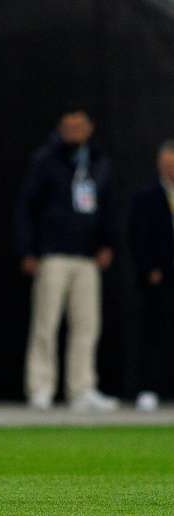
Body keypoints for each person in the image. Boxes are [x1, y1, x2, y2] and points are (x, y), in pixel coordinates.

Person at [16, 108, 118, 412]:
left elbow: (108, 205)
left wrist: (107, 243)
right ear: (61, 129)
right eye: (69, 126)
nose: (74, 131)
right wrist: (28, 250)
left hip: (87, 256)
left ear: (90, 128)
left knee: (86, 324)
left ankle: (81, 387)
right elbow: (27, 206)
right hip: (53, 254)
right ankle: (41, 387)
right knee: (45, 323)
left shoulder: (99, 162)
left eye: (79, 126)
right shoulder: (46, 161)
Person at [128, 140, 174, 411]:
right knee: (155, 333)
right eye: (167, 165)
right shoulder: (146, 197)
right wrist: (148, 268)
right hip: (159, 276)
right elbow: (137, 235)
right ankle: (150, 388)